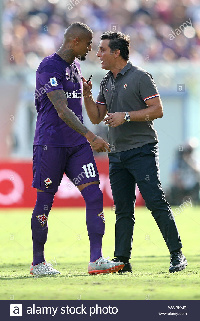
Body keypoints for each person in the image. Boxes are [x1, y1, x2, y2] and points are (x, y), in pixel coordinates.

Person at [82, 31, 187, 273]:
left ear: (117, 52)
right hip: (116, 154)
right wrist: (87, 95)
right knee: (123, 210)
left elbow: (158, 110)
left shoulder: (140, 76)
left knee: (155, 202)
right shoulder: (106, 81)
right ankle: (122, 261)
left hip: (142, 150)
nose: (98, 54)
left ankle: (177, 255)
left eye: (103, 50)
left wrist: (126, 116)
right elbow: (96, 116)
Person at [30, 23, 124, 276]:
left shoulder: (76, 66)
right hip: (50, 144)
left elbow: (73, 104)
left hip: (76, 145)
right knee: (44, 202)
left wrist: (85, 95)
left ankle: (96, 259)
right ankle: (37, 262)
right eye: (88, 43)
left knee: (94, 196)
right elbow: (61, 109)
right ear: (74, 42)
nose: (91, 48)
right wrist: (91, 135)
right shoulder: (49, 66)